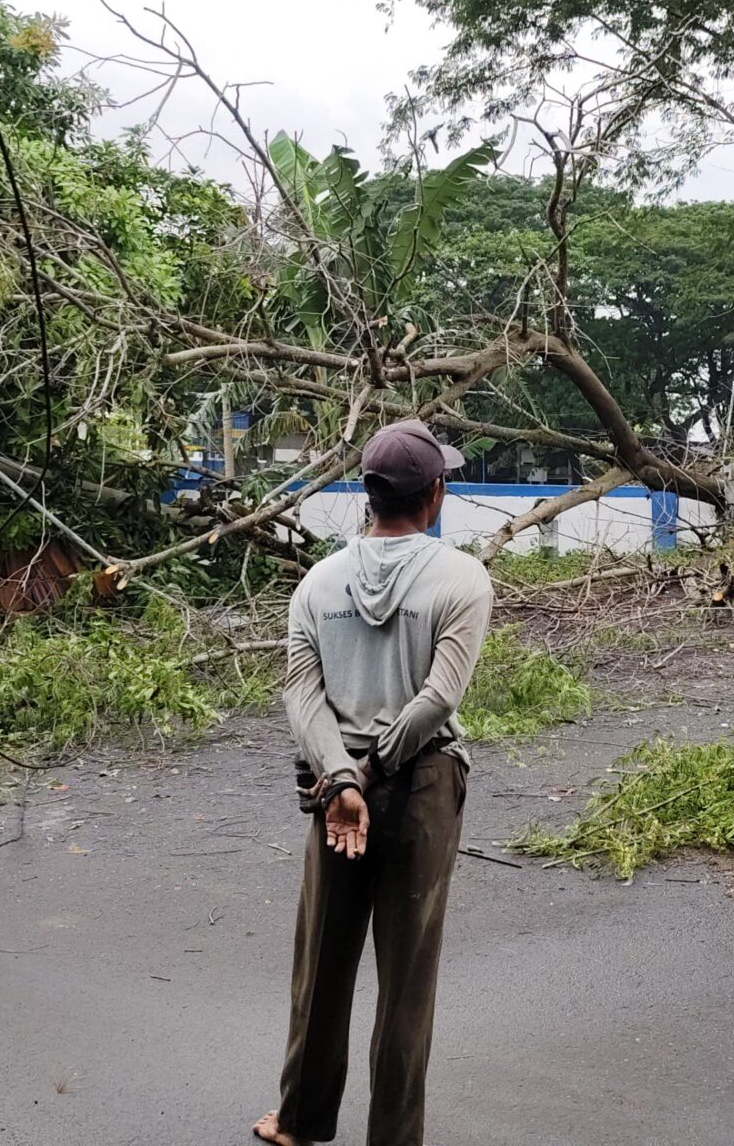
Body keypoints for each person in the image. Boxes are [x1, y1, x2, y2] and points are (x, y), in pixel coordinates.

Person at [257, 420, 495, 1146]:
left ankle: (299, 1119)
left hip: (336, 794)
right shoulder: (462, 578)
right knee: (406, 978)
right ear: (435, 494)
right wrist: (370, 773)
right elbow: (439, 699)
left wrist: (341, 780)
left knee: (322, 959)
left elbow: (302, 695)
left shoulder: (317, 583)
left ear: (369, 495)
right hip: (422, 784)